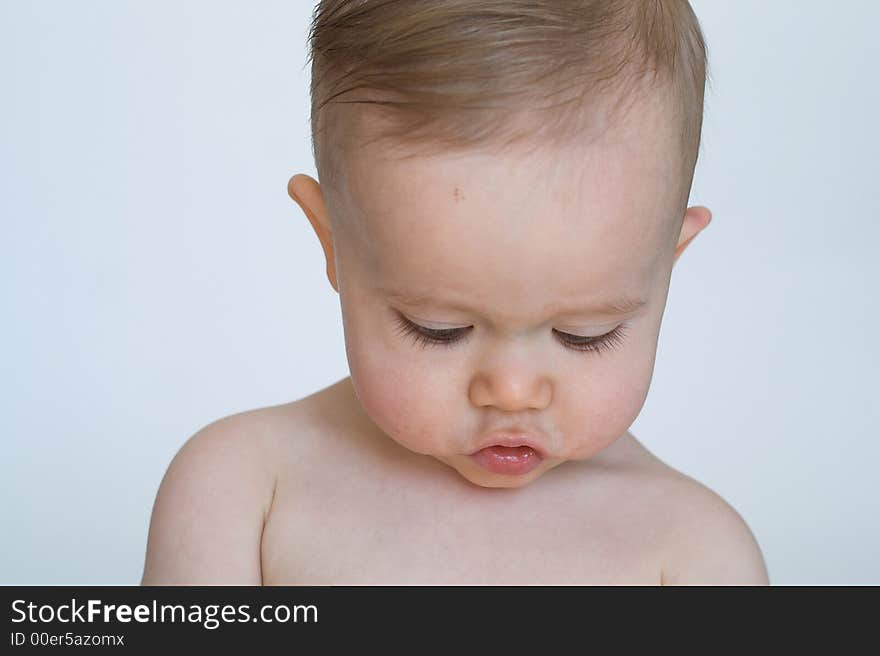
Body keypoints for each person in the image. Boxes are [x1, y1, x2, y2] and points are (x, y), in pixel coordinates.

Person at [141, 0, 769, 585]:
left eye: (585, 334)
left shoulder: (693, 555)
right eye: (438, 328)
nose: (513, 391)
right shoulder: (245, 490)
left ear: (667, 261)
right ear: (333, 242)